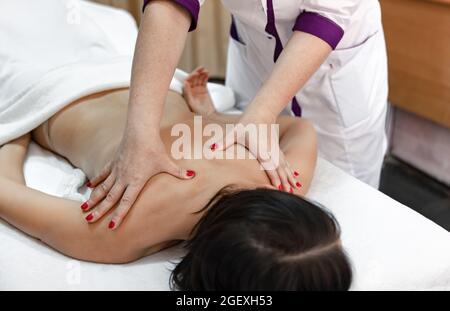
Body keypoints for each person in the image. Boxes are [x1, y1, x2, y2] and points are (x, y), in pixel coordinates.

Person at [0, 68, 352, 290]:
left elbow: (298, 129)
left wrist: (214, 123)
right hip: (51, 87)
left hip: (143, 74)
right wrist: (16, 132)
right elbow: (6, 192)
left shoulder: (282, 179)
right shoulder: (121, 230)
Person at [91, 0, 388, 229]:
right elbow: (170, 5)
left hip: (336, 70)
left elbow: (326, 15)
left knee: (349, 204)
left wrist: (258, 116)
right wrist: (140, 133)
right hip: (255, 54)